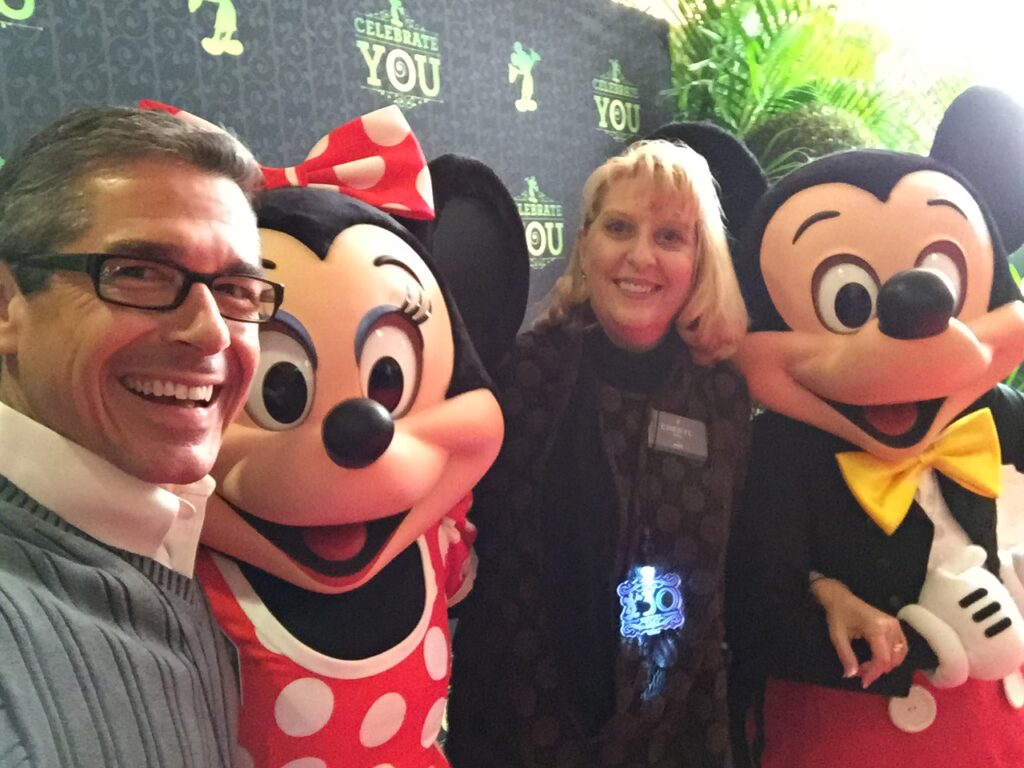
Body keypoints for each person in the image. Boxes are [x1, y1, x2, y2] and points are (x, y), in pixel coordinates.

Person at [447, 138, 752, 767]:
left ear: (699, 259)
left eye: (671, 236)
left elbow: (730, 570)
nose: (641, 256)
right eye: (620, 227)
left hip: (675, 730)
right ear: (586, 241)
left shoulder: (722, 396)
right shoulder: (519, 374)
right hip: (520, 726)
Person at [0, 106, 283, 767]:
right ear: (7, 307)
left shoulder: (161, 535)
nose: (211, 332)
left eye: (238, 289)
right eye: (139, 273)